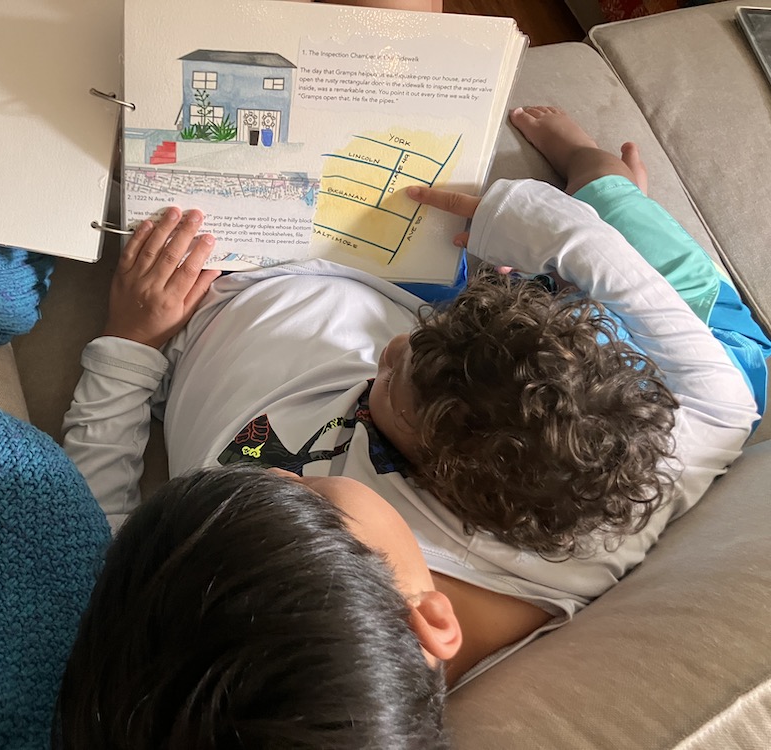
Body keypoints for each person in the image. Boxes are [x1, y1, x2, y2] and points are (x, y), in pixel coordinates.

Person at [56, 108, 767, 745]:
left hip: (210, 300)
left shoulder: (158, 616)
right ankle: (606, 177)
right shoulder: (590, 533)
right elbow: (725, 403)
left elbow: (86, 512)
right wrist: (531, 214)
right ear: (431, 620)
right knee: (675, 290)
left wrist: (132, 342)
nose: (268, 474)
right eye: (310, 506)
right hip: (416, 304)